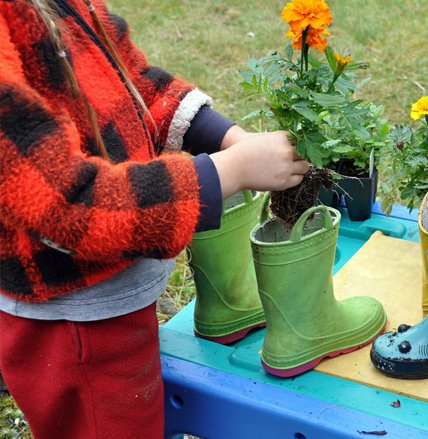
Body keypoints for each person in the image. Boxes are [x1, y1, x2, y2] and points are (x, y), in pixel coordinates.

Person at [0, 0, 309, 437]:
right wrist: (229, 171)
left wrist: (226, 138)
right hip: (74, 322)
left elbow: (129, 81)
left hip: (104, 305)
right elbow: (68, 206)